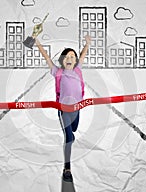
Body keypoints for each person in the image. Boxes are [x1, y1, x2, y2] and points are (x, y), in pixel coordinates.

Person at [35, 35, 91, 182]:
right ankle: (67, 168)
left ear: (75, 61)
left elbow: (83, 54)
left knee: (74, 129)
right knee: (68, 138)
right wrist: (37, 43)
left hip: (77, 108)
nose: (69, 58)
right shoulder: (58, 72)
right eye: (66, 56)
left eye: (72, 56)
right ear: (62, 60)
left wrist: (87, 44)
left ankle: (71, 134)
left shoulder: (78, 70)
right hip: (64, 110)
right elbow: (46, 56)